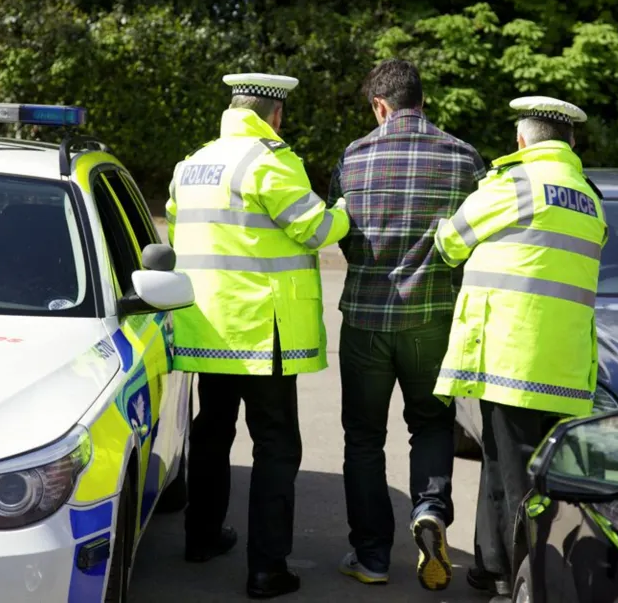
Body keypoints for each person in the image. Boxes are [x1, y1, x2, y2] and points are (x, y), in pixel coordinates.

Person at [166, 72, 350, 599]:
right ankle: (267, 568)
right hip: (261, 329)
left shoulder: (192, 163)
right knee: (275, 445)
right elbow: (316, 230)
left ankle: (201, 538)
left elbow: (179, 227)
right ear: (276, 114)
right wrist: (345, 211)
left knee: (212, 432)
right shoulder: (269, 161)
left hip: (207, 327)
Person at [432, 96, 608, 598]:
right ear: (571, 142)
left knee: (515, 482)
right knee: (515, 471)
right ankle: (491, 564)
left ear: (520, 141)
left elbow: (451, 243)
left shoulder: (514, 184)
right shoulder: (589, 196)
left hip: (511, 358)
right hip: (567, 364)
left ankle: (521, 577)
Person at [327, 59, 487, 591]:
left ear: (379, 105)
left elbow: (344, 235)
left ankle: (371, 555)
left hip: (367, 319)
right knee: (432, 425)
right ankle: (430, 512)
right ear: (423, 101)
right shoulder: (464, 158)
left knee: (364, 438)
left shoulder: (353, 156)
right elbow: (475, 236)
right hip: (434, 321)